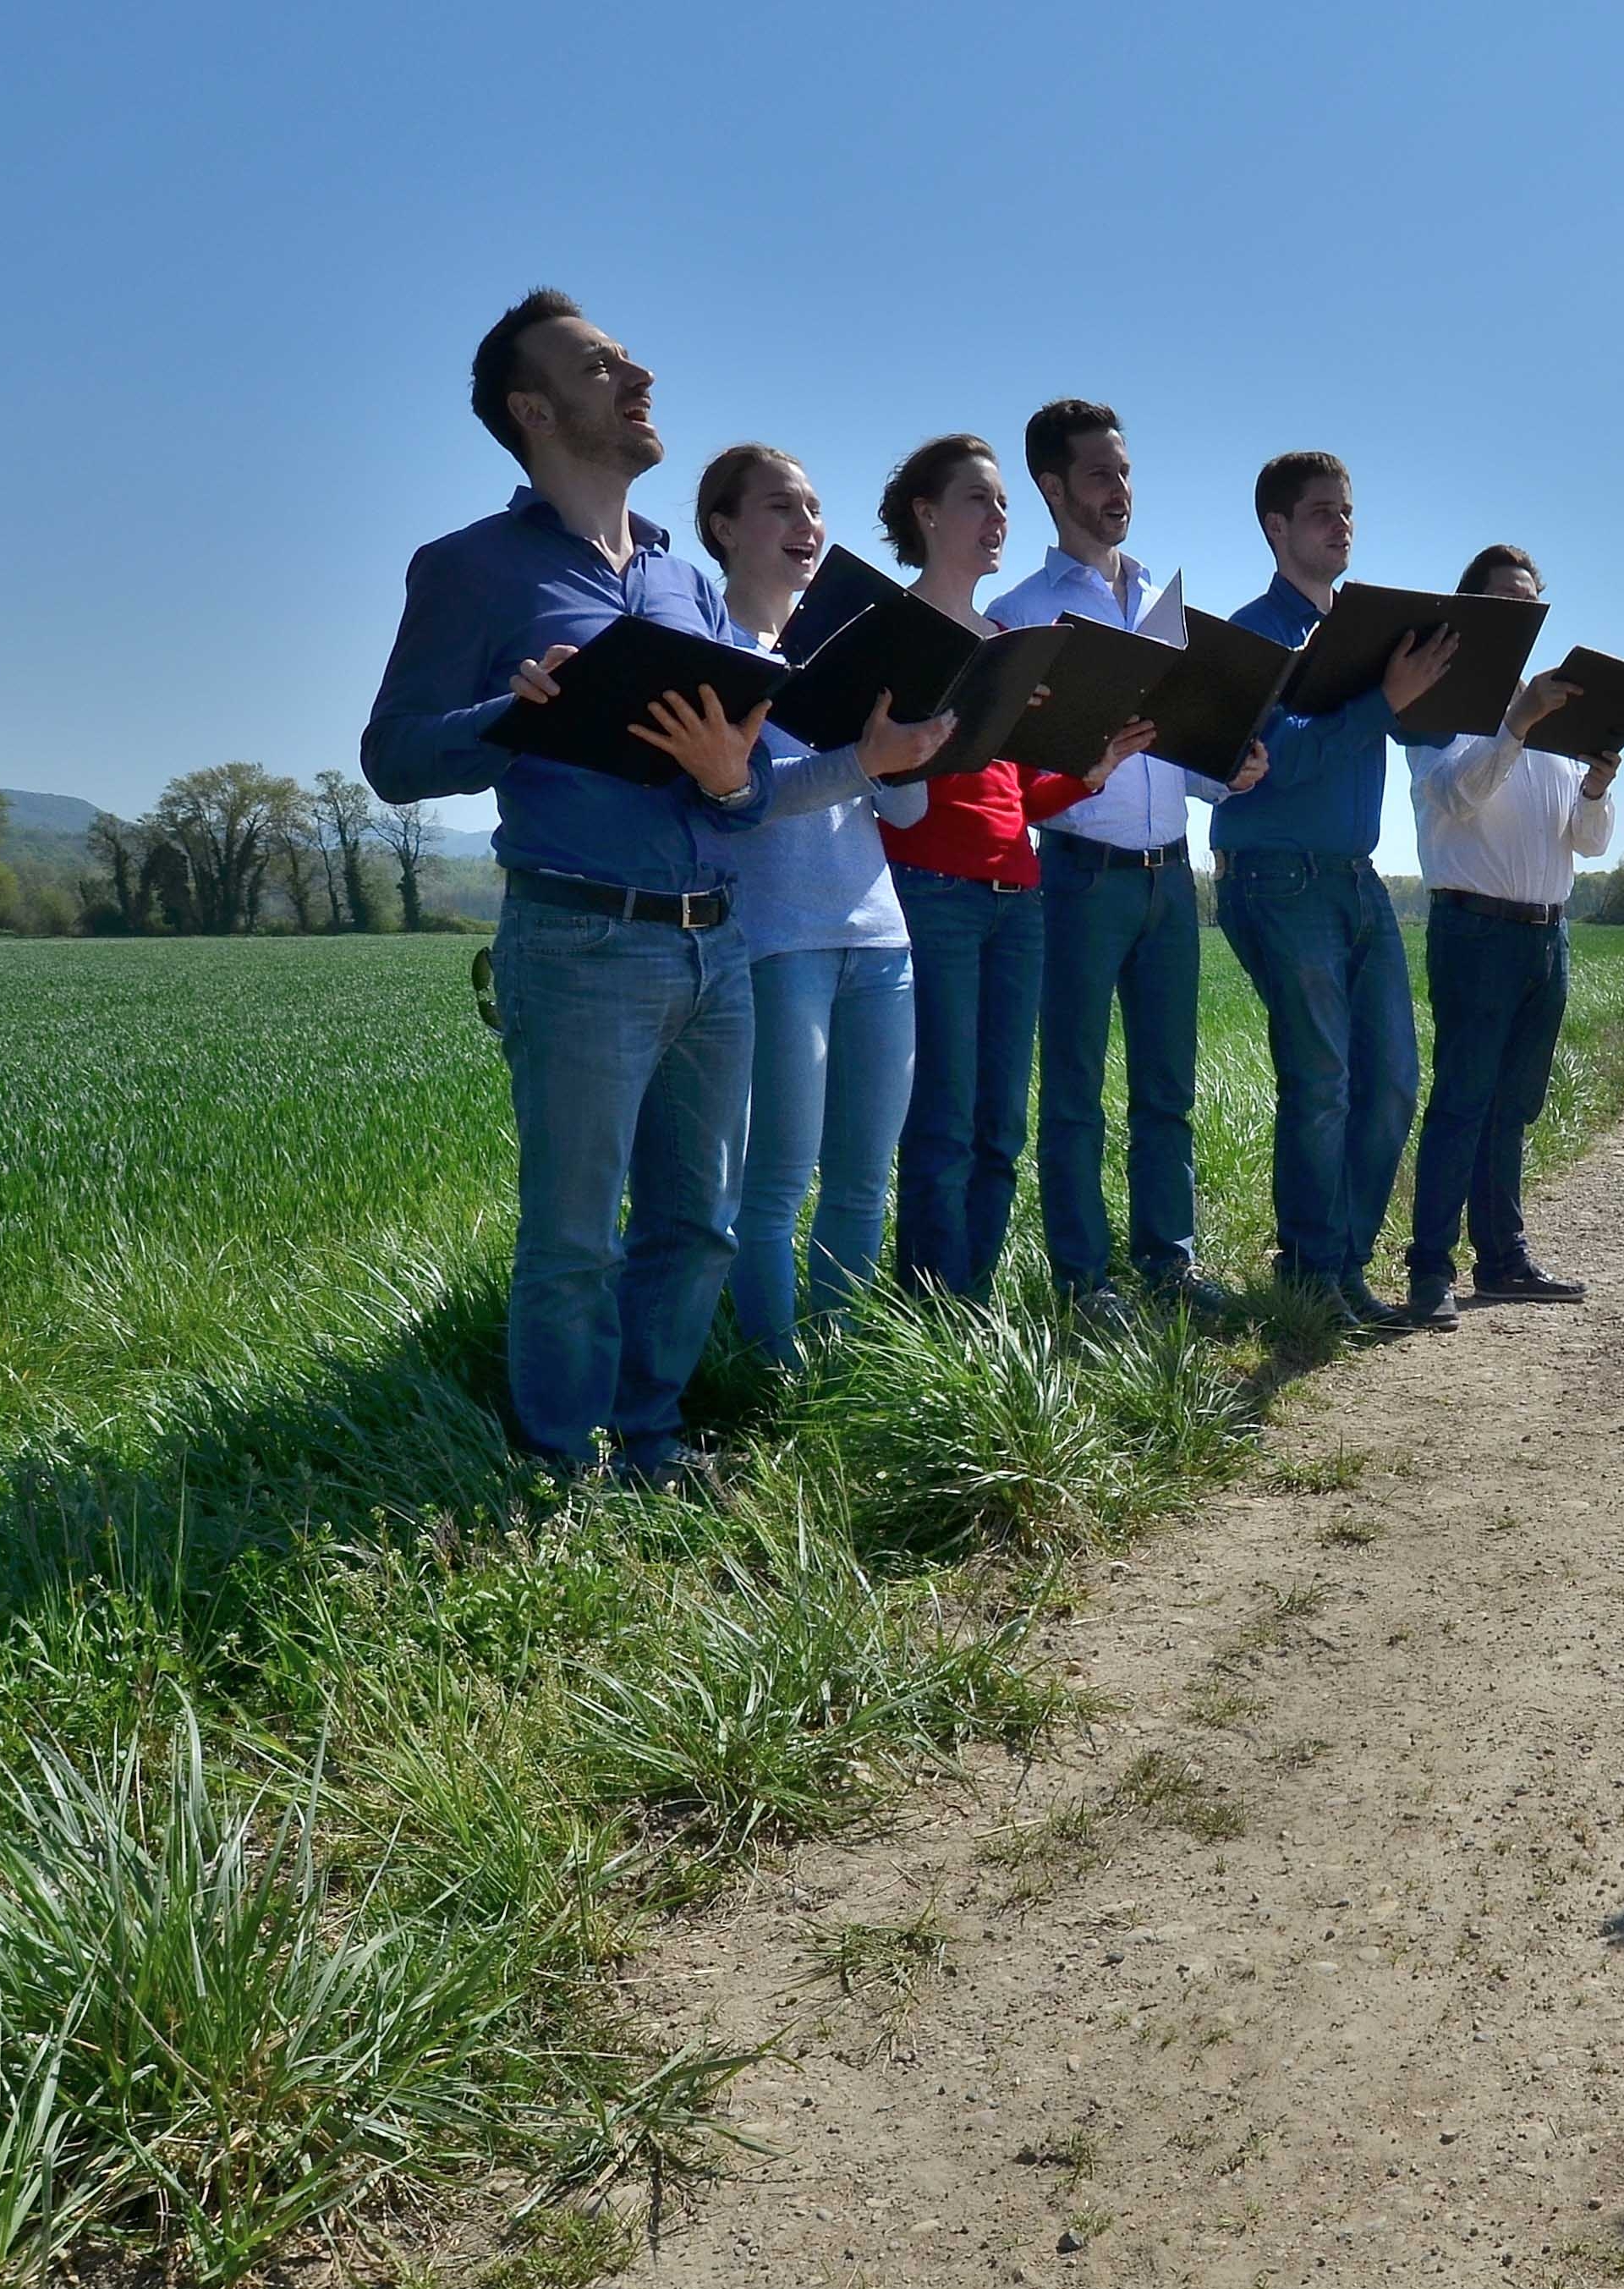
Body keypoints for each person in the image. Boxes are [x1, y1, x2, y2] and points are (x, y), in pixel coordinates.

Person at [362, 290, 948, 1476]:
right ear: (532, 408)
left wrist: (735, 781)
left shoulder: (681, 586)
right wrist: (516, 710)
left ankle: (650, 1438)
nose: (636, 380)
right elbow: (394, 756)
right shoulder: (469, 568)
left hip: (715, 941)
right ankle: (559, 1462)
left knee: (697, 1224)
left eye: (631, 361)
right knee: (573, 1236)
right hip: (578, 938)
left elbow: (723, 792)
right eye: (598, 368)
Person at [988, 399, 1265, 1323]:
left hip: (1169, 880)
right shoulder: (1016, 617)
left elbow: (1174, 757)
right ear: (1052, 486)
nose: (1120, 490)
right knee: (1071, 1093)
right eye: (1100, 474)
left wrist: (1227, 766)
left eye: (1126, 471)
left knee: (1167, 1090)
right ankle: (1081, 1281)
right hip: (1074, 876)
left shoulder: (1161, 602)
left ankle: (1168, 1267)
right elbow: (1007, 773)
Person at [879, 432, 1157, 1301]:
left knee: (1001, 1125)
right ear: (926, 515)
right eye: (978, 500)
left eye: (1003, 503)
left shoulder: (1008, 636)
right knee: (944, 1120)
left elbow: (1014, 795)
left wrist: (1086, 770)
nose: (998, 517)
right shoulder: (894, 635)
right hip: (933, 895)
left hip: (1018, 896)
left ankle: (977, 1305)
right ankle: (933, 1309)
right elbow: (890, 784)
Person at [1210, 451, 1460, 1329]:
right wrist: (1382, 705)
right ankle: (1313, 1273)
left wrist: (1421, 691)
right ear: (1275, 528)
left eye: (1347, 510)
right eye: (1320, 511)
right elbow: (1272, 767)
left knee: (1392, 1077)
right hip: (1275, 880)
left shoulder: (1363, 639)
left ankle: (1342, 1266)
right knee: (1322, 1081)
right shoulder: (1251, 636)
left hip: (1358, 880)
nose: (1340, 523)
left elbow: (1384, 735)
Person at [694, 442, 930, 1362]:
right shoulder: (711, 651)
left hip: (879, 936)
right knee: (777, 1181)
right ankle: (774, 1371)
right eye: (780, 509)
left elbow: (901, 807)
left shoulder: (845, 651)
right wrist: (859, 764)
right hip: (777, 940)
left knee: (865, 1180)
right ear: (723, 528)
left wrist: (906, 748)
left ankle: (837, 1369)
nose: (807, 528)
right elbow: (743, 804)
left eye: (813, 510)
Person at [1396, 545, 1618, 1327]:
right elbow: (1452, 799)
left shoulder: (1556, 712)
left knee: (1512, 1106)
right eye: (1505, 600)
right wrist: (1516, 730)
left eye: (1532, 601)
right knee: (1461, 1102)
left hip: (1546, 937)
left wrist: (1593, 785)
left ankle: (1503, 1260)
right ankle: (1429, 1268)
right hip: (1475, 931)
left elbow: (1585, 842)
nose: (1522, 613)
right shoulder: (1438, 701)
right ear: (1473, 609)